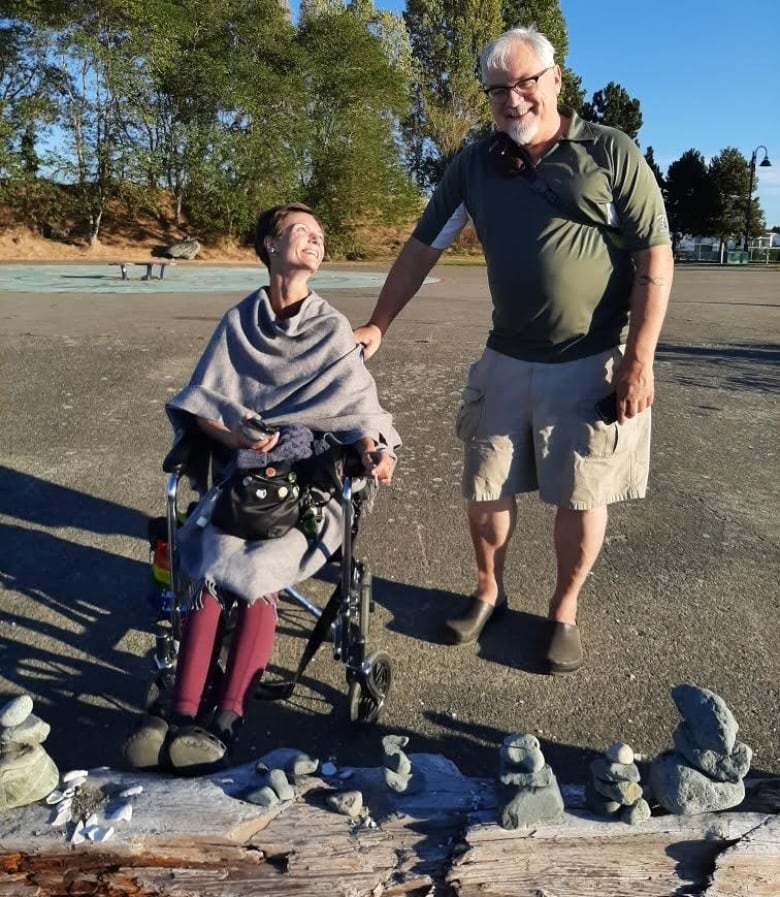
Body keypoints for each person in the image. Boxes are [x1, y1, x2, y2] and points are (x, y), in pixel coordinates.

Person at [354, 27, 673, 674]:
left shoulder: (610, 153)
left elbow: (654, 258)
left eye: (526, 82)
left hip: (591, 361)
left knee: (581, 497)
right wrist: (379, 323)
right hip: (505, 357)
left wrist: (639, 358)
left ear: (556, 79)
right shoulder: (474, 164)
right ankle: (487, 589)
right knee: (485, 489)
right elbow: (422, 249)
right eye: (498, 89)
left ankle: (563, 609)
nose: (514, 99)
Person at [124, 203, 400, 774]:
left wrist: (377, 449)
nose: (316, 242)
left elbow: (360, 411)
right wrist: (233, 430)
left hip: (312, 493)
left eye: (322, 236)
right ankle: (178, 713)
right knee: (204, 566)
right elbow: (203, 407)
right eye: (303, 233)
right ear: (269, 247)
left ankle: (225, 718)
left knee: (256, 574)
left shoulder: (330, 330)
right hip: (242, 482)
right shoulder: (238, 323)